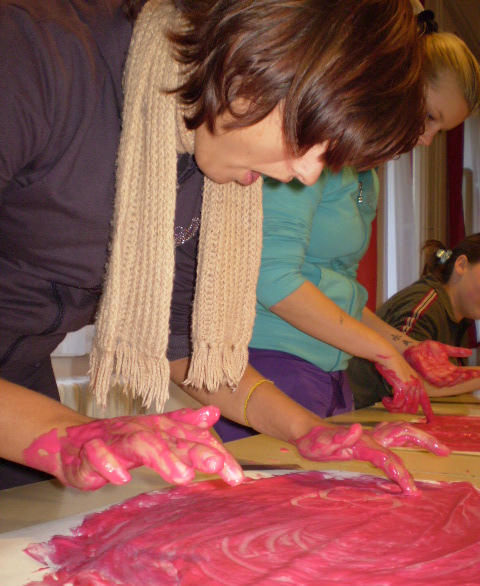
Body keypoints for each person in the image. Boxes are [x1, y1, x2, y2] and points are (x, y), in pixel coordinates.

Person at [1, 0, 441, 493]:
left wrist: (307, 430)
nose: (306, 174)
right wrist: (60, 435)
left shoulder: (205, 164)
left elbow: (183, 347)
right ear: (258, 54)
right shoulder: (33, 54)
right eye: (309, 137)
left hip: (19, 390)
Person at [212, 9, 480, 443]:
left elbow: (339, 293)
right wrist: (382, 350)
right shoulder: (312, 151)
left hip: (331, 372)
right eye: (429, 116)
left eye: (441, 129)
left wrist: (406, 346)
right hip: (271, 364)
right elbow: (271, 277)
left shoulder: (364, 178)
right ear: (396, 84)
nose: (427, 139)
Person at [349, 235, 480, 409]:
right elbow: (405, 379)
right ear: (461, 265)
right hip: (358, 412)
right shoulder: (425, 305)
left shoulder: (459, 316)